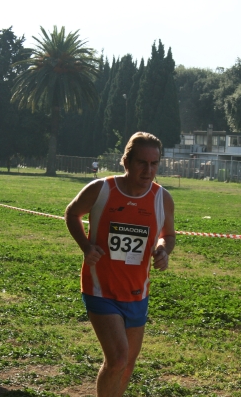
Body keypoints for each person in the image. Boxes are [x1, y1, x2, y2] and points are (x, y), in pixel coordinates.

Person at [65, 132, 175, 396]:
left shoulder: (162, 198)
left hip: (138, 292)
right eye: (141, 163)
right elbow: (72, 213)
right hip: (101, 289)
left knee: (126, 365)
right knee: (117, 359)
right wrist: (86, 246)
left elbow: (168, 235)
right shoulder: (101, 189)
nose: (148, 170)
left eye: (154, 164)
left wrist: (163, 250)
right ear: (126, 161)